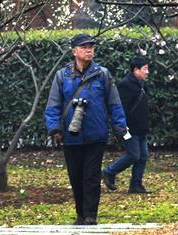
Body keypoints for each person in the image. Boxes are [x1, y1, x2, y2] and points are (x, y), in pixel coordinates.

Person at [44, 34, 128, 226]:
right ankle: (80, 213)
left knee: (91, 176)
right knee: (76, 176)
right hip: (71, 135)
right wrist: (54, 128)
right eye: (84, 47)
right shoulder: (62, 75)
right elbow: (53, 105)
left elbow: (114, 103)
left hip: (95, 134)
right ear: (74, 51)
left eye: (91, 47)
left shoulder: (103, 74)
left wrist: (120, 126)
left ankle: (90, 215)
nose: (89, 50)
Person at [103, 56, 151, 194]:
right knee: (134, 155)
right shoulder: (125, 85)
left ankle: (136, 184)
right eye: (145, 69)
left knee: (143, 155)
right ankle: (109, 172)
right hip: (129, 128)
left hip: (141, 127)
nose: (147, 72)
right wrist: (121, 125)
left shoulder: (141, 84)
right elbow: (119, 106)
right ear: (136, 70)